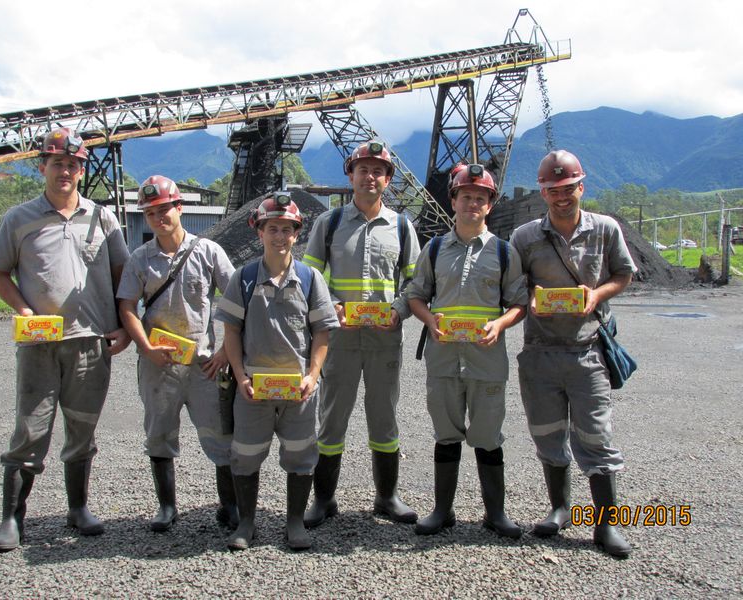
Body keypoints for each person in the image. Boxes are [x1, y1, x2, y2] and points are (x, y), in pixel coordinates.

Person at [0, 128, 131, 552]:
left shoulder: (102, 218)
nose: (65, 170)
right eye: (57, 163)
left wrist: (122, 326)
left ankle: (78, 508)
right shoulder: (19, 218)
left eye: (73, 164)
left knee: (82, 430)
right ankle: (12, 519)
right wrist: (24, 311)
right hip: (40, 344)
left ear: (82, 170)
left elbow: (122, 276)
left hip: (90, 343)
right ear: (42, 167)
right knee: (30, 431)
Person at [509, 150, 636, 558]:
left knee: (596, 435)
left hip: (587, 350)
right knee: (547, 433)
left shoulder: (605, 229)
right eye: (552, 190)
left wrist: (596, 294)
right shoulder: (525, 236)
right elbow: (513, 285)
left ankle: (606, 525)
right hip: (541, 351)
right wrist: (531, 299)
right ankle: (560, 508)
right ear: (543, 193)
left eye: (568, 188)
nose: (561, 196)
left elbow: (623, 274)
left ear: (581, 187)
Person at [302, 140, 421, 528]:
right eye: (363, 170)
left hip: (384, 338)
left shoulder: (401, 227)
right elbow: (311, 277)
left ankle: (386, 498)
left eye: (378, 171)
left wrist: (399, 311)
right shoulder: (330, 223)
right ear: (351, 175)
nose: (370, 177)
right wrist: (330, 306)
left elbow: (415, 283)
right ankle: (324, 499)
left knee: (384, 416)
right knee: (332, 417)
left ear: (388, 180)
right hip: (340, 338)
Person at [407, 164, 527, 538]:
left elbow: (520, 302)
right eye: (466, 196)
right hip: (443, 359)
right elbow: (414, 295)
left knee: (488, 434)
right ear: (454, 200)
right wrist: (429, 321)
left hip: (486, 361)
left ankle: (496, 514)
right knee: (445, 432)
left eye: (481, 197)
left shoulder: (504, 253)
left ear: (489, 205)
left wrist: (500, 324)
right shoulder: (436, 248)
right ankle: (442, 511)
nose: (473, 203)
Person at [215, 192, 339, 551]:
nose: (280, 236)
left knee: (301, 454)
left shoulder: (311, 279)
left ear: (297, 234)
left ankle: (295, 523)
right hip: (254, 389)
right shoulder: (244, 277)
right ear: (259, 231)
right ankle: (247, 523)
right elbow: (231, 333)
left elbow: (322, 334)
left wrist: (312, 376)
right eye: (273, 228)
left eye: (287, 229)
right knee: (246, 454)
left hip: (297, 390)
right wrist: (240, 377)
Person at [116, 175, 237, 532]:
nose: (158, 217)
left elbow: (234, 303)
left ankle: (229, 506)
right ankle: (166, 507)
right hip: (159, 364)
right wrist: (146, 347)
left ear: (179, 207)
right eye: (150, 212)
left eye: (164, 209)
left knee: (218, 435)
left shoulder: (207, 251)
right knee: (159, 432)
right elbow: (126, 307)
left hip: (204, 364)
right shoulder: (140, 258)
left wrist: (227, 353)